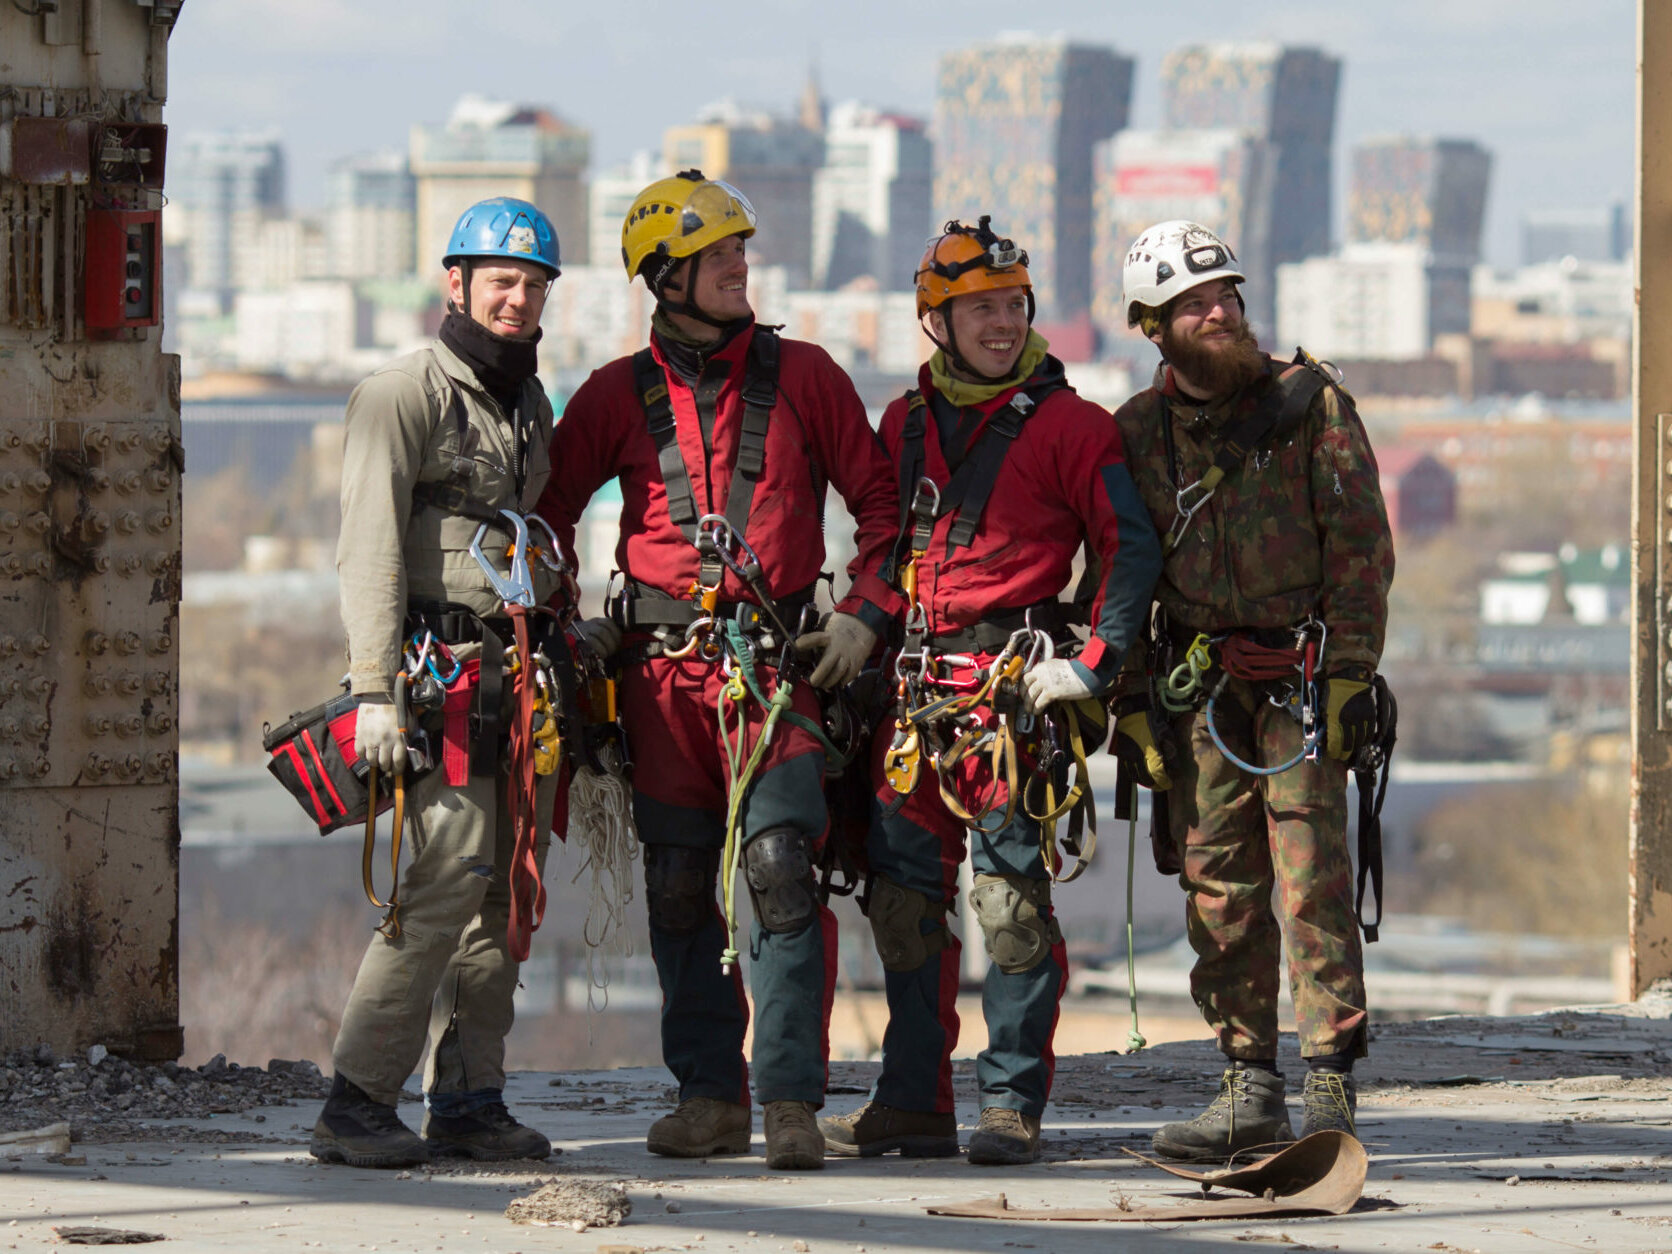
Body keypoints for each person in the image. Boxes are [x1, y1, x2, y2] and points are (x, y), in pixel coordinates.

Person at [536, 170, 902, 1171]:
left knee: (782, 875)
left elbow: (882, 509)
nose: (741, 265)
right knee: (678, 884)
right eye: (718, 255)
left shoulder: (809, 378)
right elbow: (546, 521)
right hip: (660, 680)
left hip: (777, 673)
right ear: (665, 277)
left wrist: (866, 619)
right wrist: (568, 631)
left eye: (741, 250)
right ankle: (708, 1095)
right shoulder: (614, 395)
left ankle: (788, 1099)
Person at [818, 216, 1162, 1166]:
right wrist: (859, 621)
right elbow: (885, 544)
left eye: (1013, 306)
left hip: (1012, 701)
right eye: (980, 310)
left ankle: (1010, 1104)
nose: (1002, 324)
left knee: (1009, 908)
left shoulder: (1073, 426)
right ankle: (913, 1102)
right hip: (914, 696)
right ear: (939, 320)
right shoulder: (906, 424)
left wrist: (1094, 661)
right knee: (902, 905)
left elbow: (1126, 549)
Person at [1110, 219, 1394, 1160]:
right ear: (1155, 326)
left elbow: (1360, 550)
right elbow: (1127, 574)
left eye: (1229, 296)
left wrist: (1351, 671)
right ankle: (1247, 1084)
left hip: (1303, 679)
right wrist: (1135, 699)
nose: (1221, 313)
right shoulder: (1138, 434)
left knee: (1312, 877)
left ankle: (1328, 1088)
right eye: (1197, 304)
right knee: (1217, 885)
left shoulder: (1310, 405)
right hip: (1200, 687)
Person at [310, 197, 571, 1168]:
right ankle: (356, 1101)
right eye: (500, 281)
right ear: (454, 284)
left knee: (506, 892)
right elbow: (367, 547)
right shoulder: (402, 394)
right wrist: (374, 688)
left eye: (533, 285)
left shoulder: (525, 400)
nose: (516, 300)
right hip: (433, 683)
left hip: (512, 679)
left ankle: (468, 1099)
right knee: (441, 883)